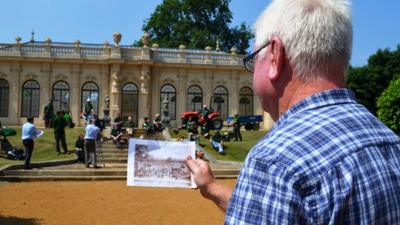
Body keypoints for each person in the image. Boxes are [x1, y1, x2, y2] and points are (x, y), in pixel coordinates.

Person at [186, 0, 400, 224]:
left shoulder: (274, 162)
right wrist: (212, 187)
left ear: (275, 56)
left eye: (254, 59)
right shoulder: (390, 141)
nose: (252, 73)